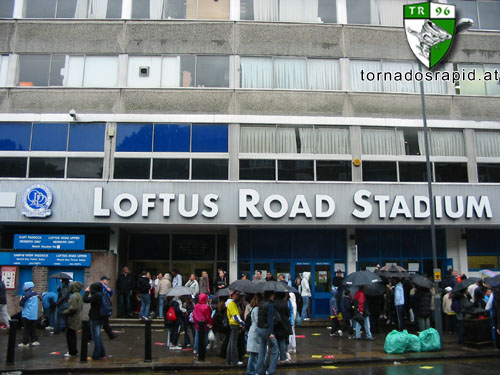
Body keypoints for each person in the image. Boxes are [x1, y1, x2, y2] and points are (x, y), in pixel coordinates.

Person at [256, 290, 279, 375]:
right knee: (275, 349)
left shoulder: (261, 304)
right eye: (273, 295)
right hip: (267, 329)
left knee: (262, 350)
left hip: (260, 328)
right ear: (271, 295)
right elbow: (270, 319)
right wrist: (271, 332)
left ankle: (259, 371)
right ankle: (271, 371)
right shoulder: (270, 305)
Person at [83, 282, 106, 360]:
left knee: (96, 337)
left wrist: (86, 292)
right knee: (98, 336)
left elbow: (85, 300)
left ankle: (96, 354)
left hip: (95, 318)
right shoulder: (102, 294)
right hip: (102, 317)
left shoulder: (97, 296)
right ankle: (102, 352)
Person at [63, 281, 83, 357]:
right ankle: (74, 350)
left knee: (70, 335)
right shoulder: (79, 295)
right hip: (77, 317)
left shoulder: (74, 296)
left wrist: (65, 312)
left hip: (72, 318)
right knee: (73, 335)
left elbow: (73, 308)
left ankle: (72, 351)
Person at [18, 281, 40, 347]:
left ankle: (25, 342)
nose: (23, 287)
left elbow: (21, 303)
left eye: (24, 285)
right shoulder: (35, 294)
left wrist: (20, 299)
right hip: (34, 315)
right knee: (33, 328)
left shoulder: (26, 294)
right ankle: (34, 340)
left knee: (26, 328)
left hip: (27, 314)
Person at [226, 290, 245, 365]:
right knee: (233, 343)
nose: (237, 296)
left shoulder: (231, 304)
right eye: (236, 295)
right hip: (234, 324)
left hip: (233, 324)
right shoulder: (232, 304)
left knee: (231, 343)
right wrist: (242, 323)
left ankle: (229, 359)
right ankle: (234, 360)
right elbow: (236, 316)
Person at [193, 293, 213, 362]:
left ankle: (197, 349)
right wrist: (210, 323)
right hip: (205, 325)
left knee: (197, 336)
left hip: (198, 324)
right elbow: (208, 316)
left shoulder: (196, 306)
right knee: (204, 338)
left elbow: (194, 315)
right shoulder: (206, 307)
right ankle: (202, 351)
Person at [246, 294, 261, 375]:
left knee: (254, 353)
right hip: (255, 332)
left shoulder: (253, 308)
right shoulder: (257, 309)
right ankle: (251, 371)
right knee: (254, 354)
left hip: (253, 331)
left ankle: (252, 370)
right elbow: (258, 321)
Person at [274, 292, 292, 363]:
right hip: (284, 324)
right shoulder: (284, 303)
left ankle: (278, 355)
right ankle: (283, 357)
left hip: (276, 324)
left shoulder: (273, 303)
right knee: (282, 340)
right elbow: (288, 313)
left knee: (277, 340)